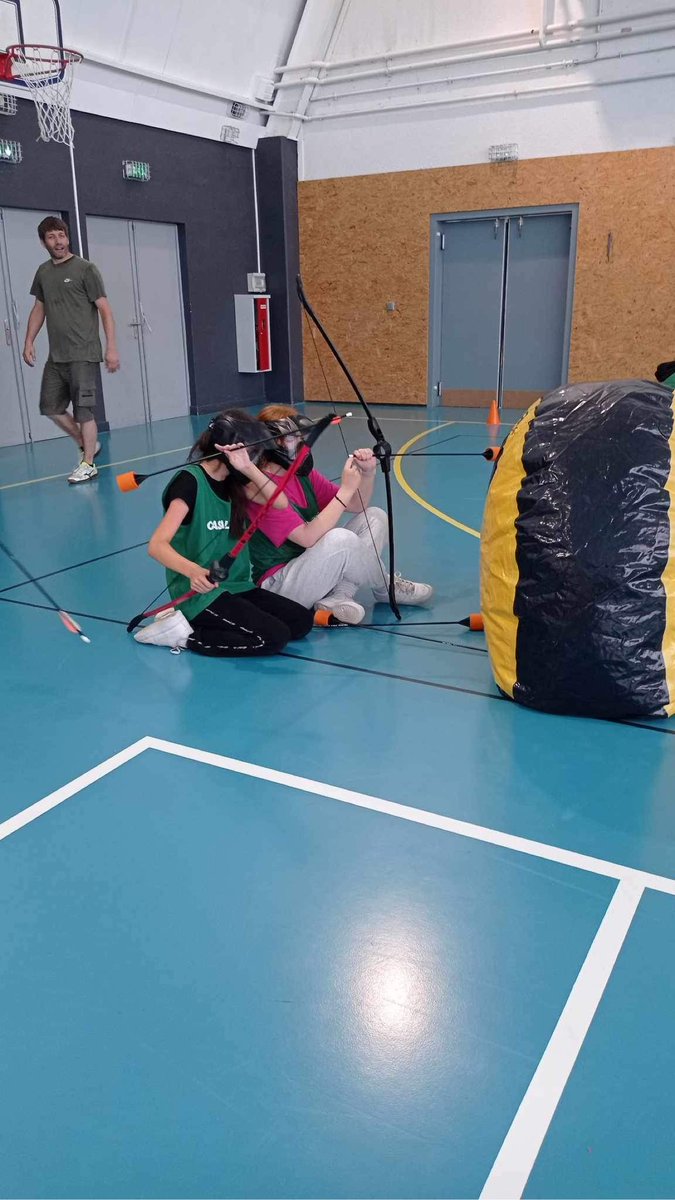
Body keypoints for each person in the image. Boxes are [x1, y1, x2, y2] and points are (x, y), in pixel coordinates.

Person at [134, 409, 314, 655]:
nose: (255, 456)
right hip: (199, 593)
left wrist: (249, 469)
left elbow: (279, 502)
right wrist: (194, 572)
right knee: (273, 638)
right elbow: (157, 545)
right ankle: (182, 636)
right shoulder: (189, 482)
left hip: (237, 585)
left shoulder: (235, 480)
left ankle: (185, 622)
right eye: (250, 450)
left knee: (300, 622)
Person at [246, 404, 433, 625]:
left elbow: (356, 504)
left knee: (374, 516)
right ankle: (385, 587)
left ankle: (339, 596)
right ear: (273, 442)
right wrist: (345, 489)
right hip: (280, 586)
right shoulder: (258, 488)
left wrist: (367, 472)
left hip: (312, 566)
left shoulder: (301, 474)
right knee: (341, 539)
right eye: (294, 438)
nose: (303, 444)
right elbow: (307, 537)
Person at [22, 216, 120, 485]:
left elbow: (105, 309)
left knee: (84, 412)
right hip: (57, 356)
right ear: (43, 242)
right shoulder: (43, 272)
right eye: (52, 237)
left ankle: (88, 463)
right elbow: (39, 308)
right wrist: (29, 341)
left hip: (84, 354)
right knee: (50, 407)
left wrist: (111, 348)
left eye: (61, 236)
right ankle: (85, 443)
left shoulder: (86, 269)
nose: (58, 242)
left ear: (68, 237)